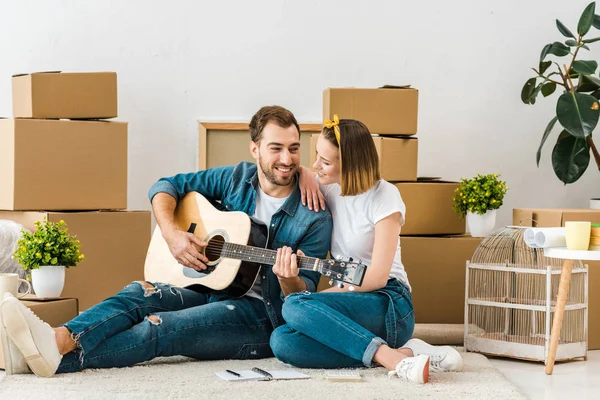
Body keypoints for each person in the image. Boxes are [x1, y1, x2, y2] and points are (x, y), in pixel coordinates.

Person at [0, 105, 332, 377]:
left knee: (159, 327)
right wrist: (173, 236)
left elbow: (304, 296)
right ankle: (59, 339)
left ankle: (45, 356)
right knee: (137, 293)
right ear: (255, 148)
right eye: (276, 148)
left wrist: (288, 277)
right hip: (208, 286)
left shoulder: (314, 215)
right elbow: (164, 186)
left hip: (259, 314)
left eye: (293, 148)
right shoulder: (237, 178)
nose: (287, 159)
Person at [269, 116, 463, 384]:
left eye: (325, 161)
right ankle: (405, 353)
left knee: (294, 306)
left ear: (349, 164)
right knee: (281, 341)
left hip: (390, 301)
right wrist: (304, 174)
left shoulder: (385, 197)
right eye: (316, 156)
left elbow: (377, 277)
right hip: (352, 305)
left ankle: (391, 358)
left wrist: (319, 301)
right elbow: (303, 170)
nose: (316, 165)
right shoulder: (328, 187)